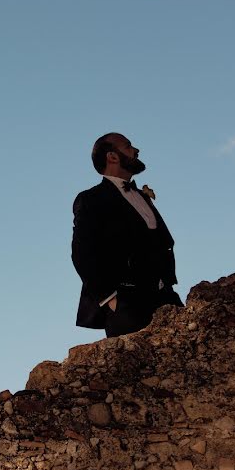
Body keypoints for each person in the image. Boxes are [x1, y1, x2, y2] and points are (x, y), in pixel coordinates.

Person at [71, 133, 183, 337]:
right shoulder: (91, 199)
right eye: (129, 146)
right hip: (127, 305)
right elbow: (82, 253)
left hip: (167, 299)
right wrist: (111, 300)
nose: (136, 150)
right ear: (112, 157)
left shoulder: (141, 197)